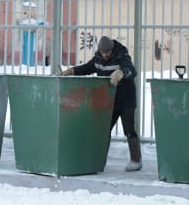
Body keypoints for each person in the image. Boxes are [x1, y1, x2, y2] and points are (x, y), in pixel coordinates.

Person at [60, 36, 142, 172]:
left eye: (107, 52)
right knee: (104, 130)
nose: (105, 55)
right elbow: (88, 68)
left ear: (112, 50)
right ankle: (100, 158)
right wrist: (72, 70)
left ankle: (136, 159)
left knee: (129, 129)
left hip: (126, 98)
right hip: (110, 99)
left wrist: (122, 72)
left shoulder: (122, 55)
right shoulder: (98, 58)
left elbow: (132, 70)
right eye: (103, 52)